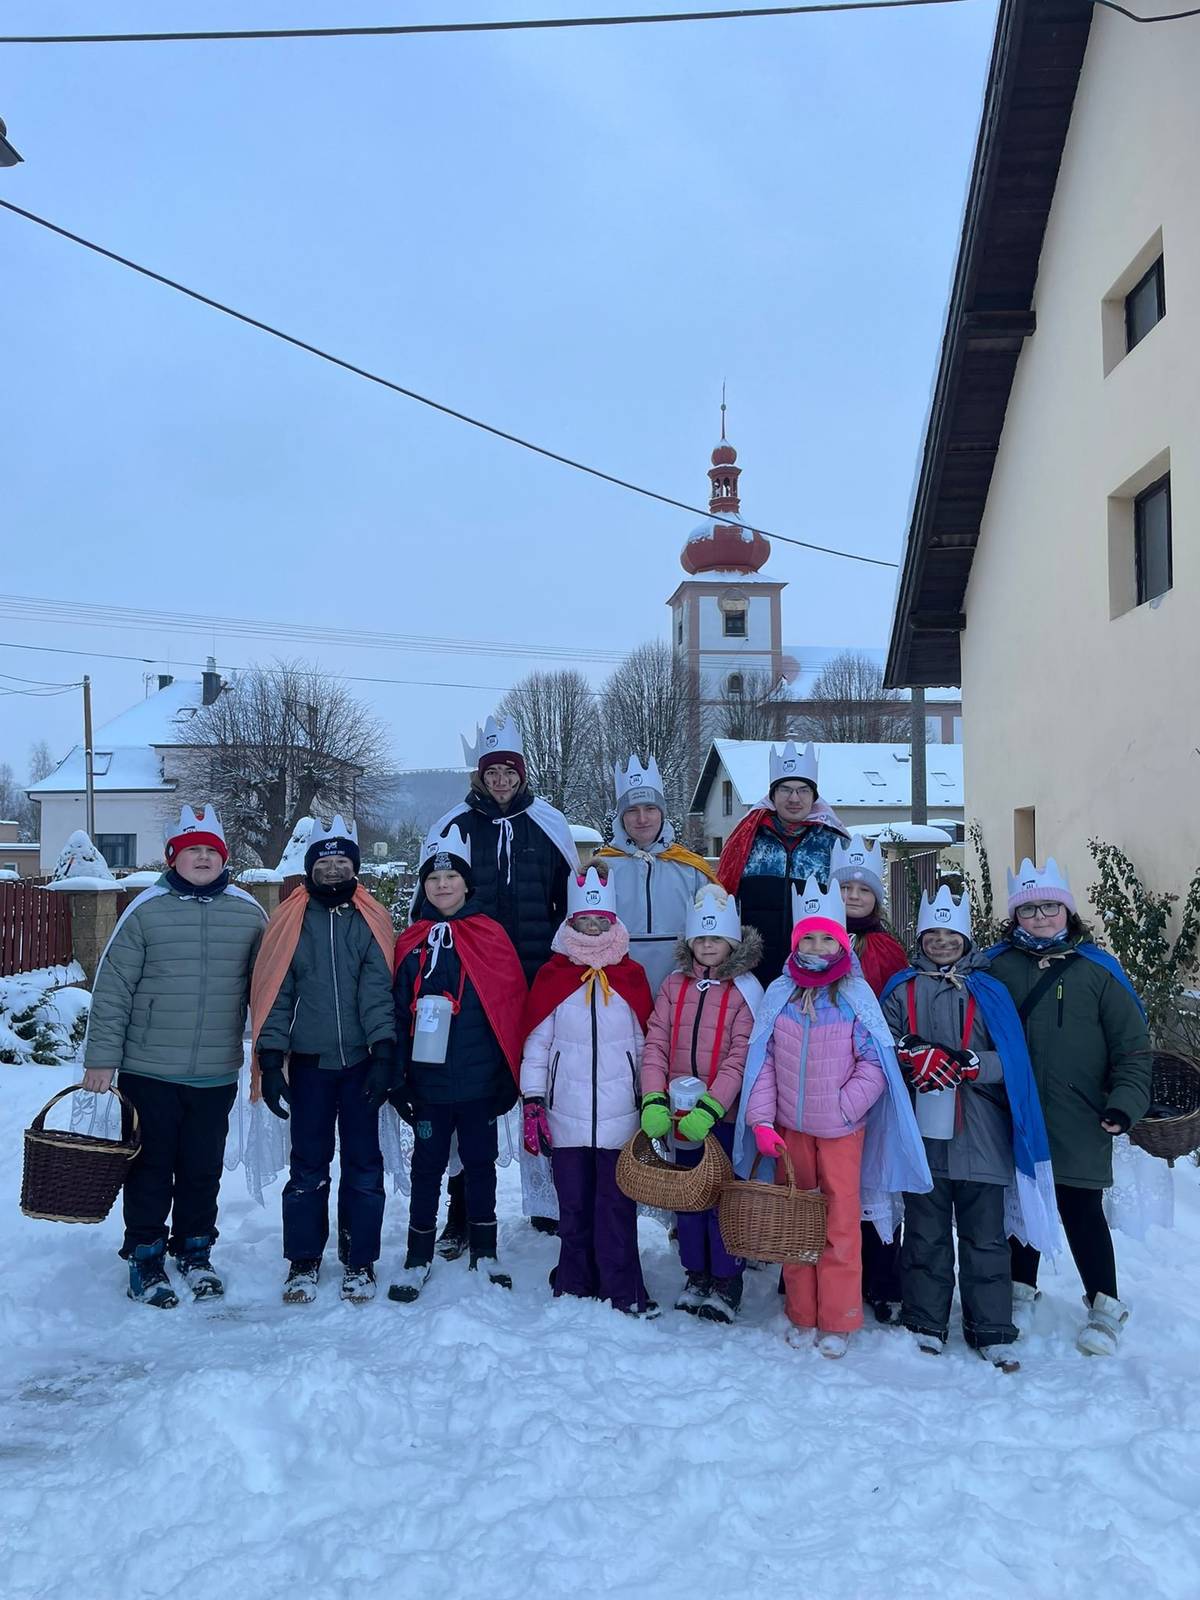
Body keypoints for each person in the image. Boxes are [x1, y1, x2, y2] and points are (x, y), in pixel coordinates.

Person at [734, 877, 929, 1358]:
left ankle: (839, 1316)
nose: (817, 947)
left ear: (842, 943)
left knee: (841, 1226)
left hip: (841, 1133)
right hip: (789, 1131)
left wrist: (845, 1106)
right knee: (797, 1223)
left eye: (827, 938)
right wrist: (761, 1121)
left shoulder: (854, 996)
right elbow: (762, 1063)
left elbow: (875, 1065)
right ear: (796, 940)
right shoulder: (780, 993)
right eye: (808, 937)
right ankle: (802, 1311)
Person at [80, 805, 266, 1307]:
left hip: (215, 1071)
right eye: (192, 851)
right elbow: (113, 988)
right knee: (150, 1166)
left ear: (223, 858)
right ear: (173, 858)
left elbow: (270, 987)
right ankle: (145, 1256)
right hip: (149, 1070)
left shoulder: (249, 913)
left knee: (202, 1168)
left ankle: (195, 1250)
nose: (202, 858)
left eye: (211, 850)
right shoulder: (145, 911)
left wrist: (270, 1051)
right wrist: (101, 1059)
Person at [881, 886, 1059, 1370]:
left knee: (985, 1237)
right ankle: (924, 1319)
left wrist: (973, 1064)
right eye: (932, 934)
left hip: (981, 1134)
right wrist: (911, 1054)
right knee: (925, 1233)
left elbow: (1016, 1061)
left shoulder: (992, 989)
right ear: (920, 938)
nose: (941, 942)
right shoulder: (901, 988)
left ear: (966, 938)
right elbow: (881, 1044)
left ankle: (991, 1325)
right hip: (922, 1134)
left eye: (950, 934)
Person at [988, 858, 1151, 1356]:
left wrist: (1124, 1104)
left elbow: (1132, 1048)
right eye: (1029, 909)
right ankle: (1019, 1292)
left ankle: (1104, 1306)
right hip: (1013, 1113)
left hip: (1081, 1115)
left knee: (1081, 1209)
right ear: (1015, 916)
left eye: (1049, 907)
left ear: (1067, 911)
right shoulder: (995, 966)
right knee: (1021, 1206)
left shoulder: (1099, 970)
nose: (1039, 918)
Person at [426, 713, 578, 1248]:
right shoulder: (453, 826)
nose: (502, 780)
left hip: (540, 979)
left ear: (521, 771)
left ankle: (546, 1202)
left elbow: (572, 906)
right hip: (473, 986)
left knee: (544, 1089)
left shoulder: (549, 824)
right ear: (480, 775)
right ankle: (462, 1208)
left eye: (509, 770)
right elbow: (432, 904)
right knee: (471, 1092)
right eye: (492, 771)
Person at [250, 817, 397, 1306]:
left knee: (363, 1163)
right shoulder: (291, 920)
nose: (333, 871)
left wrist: (383, 1050)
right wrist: (271, 1057)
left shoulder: (369, 918)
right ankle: (304, 1258)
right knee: (308, 1164)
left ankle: (360, 1259)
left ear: (354, 867)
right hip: (309, 1064)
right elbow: (277, 990)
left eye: (342, 863)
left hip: (358, 1063)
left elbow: (378, 990)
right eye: (325, 863)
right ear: (310, 867)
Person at [388, 825, 527, 1302]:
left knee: (481, 1163)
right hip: (427, 1082)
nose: (442, 885)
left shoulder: (489, 935)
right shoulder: (411, 941)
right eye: (433, 878)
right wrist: (398, 1076)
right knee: (426, 1166)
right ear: (423, 887)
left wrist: (507, 1075)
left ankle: (485, 1249)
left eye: (450, 877)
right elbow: (394, 1008)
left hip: (478, 1081)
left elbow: (509, 1005)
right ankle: (417, 1255)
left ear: (467, 885)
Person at [519, 865, 658, 1317]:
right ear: (571, 924)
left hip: (621, 1118)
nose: (594, 929)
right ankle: (575, 1280)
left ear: (614, 924)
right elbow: (537, 1046)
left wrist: (649, 1097)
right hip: (566, 1117)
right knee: (574, 1205)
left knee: (616, 1208)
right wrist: (534, 1100)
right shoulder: (554, 977)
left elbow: (646, 1046)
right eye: (585, 922)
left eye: (602, 922)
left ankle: (623, 1288)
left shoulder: (631, 977)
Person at [639, 884, 762, 1322]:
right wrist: (654, 1096)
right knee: (688, 1196)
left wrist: (713, 1106)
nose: (708, 946)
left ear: (732, 942)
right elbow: (656, 1041)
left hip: (720, 1116)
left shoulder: (745, 990)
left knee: (721, 1195)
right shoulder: (674, 985)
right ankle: (696, 1273)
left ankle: (727, 1278)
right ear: (690, 941)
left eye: (716, 939)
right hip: (679, 1112)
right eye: (701, 939)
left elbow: (742, 1054)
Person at [830, 834, 910, 1323]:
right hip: (826, 1074)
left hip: (873, 1075)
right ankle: (836, 1270)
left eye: (863, 890)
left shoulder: (886, 948)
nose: (853, 896)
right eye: (844, 888)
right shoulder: (814, 939)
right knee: (834, 1180)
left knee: (876, 1177)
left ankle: (883, 1278)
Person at [717, 742, 849, 986]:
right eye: (785, 789)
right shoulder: (747, 839)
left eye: (803, 790)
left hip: (813, 965)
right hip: (753, 969)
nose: (794, 798)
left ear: (814, 796)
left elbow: (851, 907)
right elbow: (725, 898)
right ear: (772, 795)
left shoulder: (834, 843)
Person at [596, 754, 718, 996]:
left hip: (682, 988)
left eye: (650, 808)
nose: (642, 819)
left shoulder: (692, 869)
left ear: (662, 813)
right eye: (632, 810)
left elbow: (714, 934)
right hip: (617, 988)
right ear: (621, 817)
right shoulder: (602, 869)